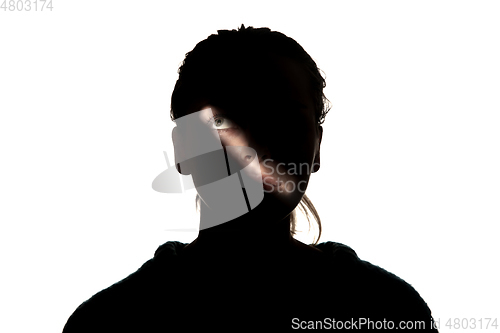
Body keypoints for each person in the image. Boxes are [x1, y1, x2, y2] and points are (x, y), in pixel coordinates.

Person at [62, 25, 438, 332]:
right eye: (222, 122)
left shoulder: (387, 313)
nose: (253, 148)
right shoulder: (108, 325)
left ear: (317, 145)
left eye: (284, 121)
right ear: (183, 148)